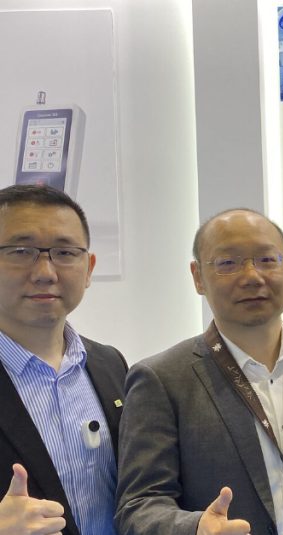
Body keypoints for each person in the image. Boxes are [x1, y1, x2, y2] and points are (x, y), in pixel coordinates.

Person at [115, 209, 283, 535]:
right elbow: (138, 506)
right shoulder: (162, 380)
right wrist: (195, 528)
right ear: (198, 277)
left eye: (267, 260)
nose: (252, 276)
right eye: (228, 263)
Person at [0, 184, 127, 535]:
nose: (45, 271)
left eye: (65, 252)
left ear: (89, 269)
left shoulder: (110, 365)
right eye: (21, 251)